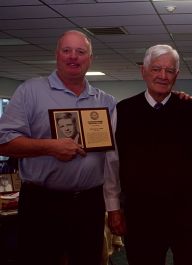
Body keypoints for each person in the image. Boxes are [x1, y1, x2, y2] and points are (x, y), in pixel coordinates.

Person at [0, 30, 117, 265]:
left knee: (88, 260)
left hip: (90, 203)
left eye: (80, 52)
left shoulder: (105, 101)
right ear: (57, 55)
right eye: (67, 50)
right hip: (42, 203)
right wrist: (49, 147)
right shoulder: (30, 91)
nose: (73, 57)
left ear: (90, 59)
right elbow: (4, 142)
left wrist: (169, 96)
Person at [104, 44, 192, 265]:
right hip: (140, 214)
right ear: (143, 71)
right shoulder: (124, 110)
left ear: (177, 75)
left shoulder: (190, 110)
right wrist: (113, 208)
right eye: (156, 69)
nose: (163, 76)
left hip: (187, 213)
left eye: (169, 70)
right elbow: (112, 164)